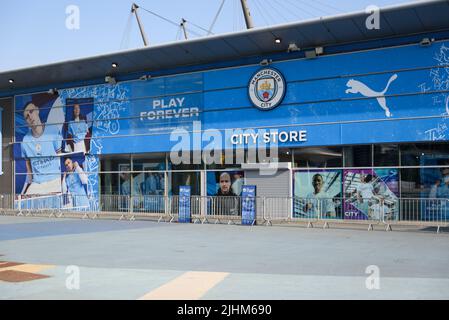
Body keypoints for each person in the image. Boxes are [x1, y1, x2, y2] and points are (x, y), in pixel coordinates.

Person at [20, 102, 63, 195]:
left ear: (37, 110)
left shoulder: (53, 130)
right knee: (25, 205)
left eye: (31, 111)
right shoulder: (25, 141)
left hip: (55, 180)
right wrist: (24, 192)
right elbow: (29, 169)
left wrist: (62, 181)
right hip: (38, 183)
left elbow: (61, 157)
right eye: (27, 117)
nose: (30, 117)